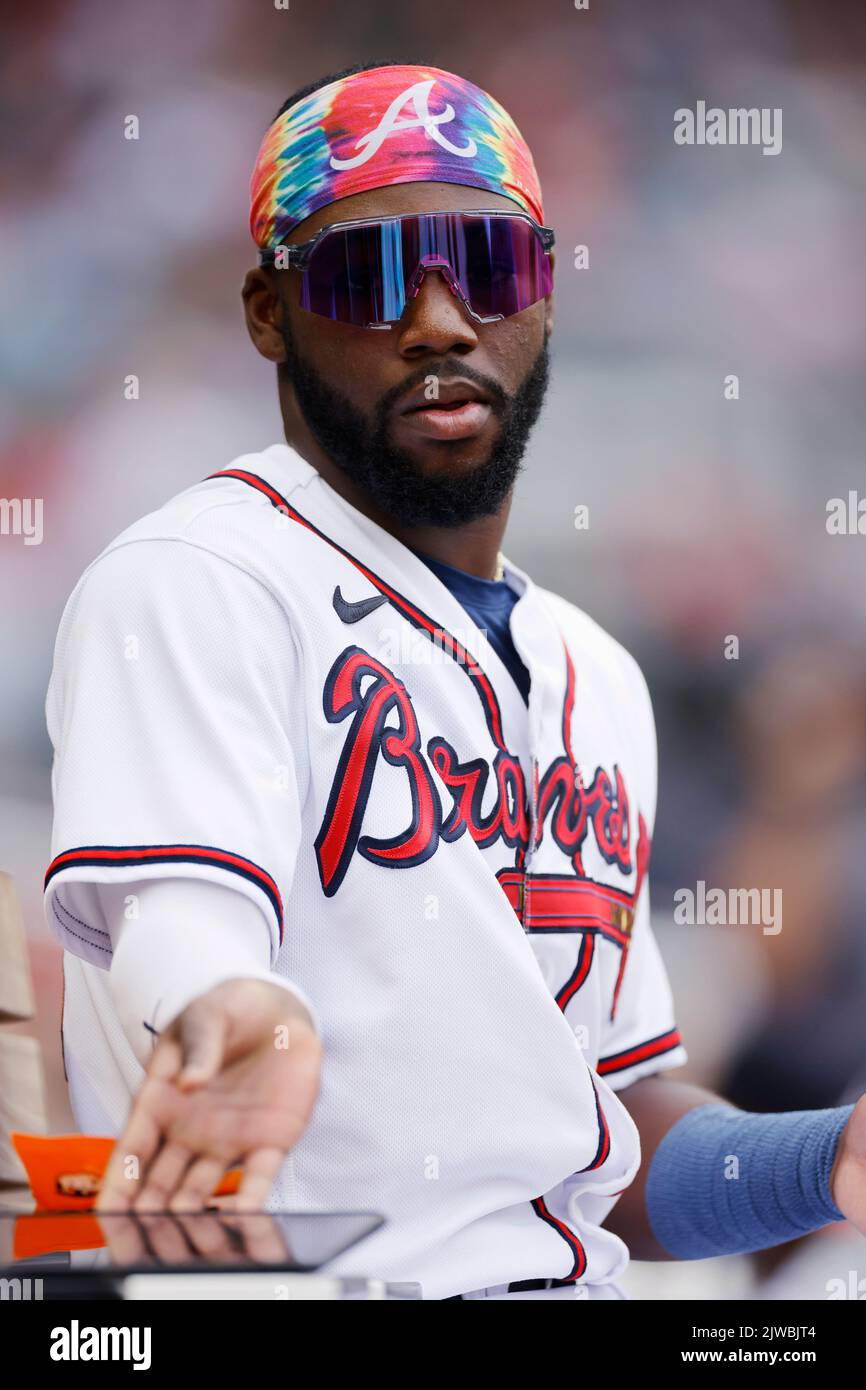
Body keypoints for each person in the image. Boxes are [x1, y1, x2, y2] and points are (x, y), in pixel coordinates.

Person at [44, 60, 866, 1300]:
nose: (437, 321)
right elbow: (186, 922)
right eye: (368, 278)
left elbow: (602, 1143)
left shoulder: (595, 673)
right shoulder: (197, 575)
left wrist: (830, 1159)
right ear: (270, 313)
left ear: (539, 294)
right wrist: (245, 1020)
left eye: (484, 265)